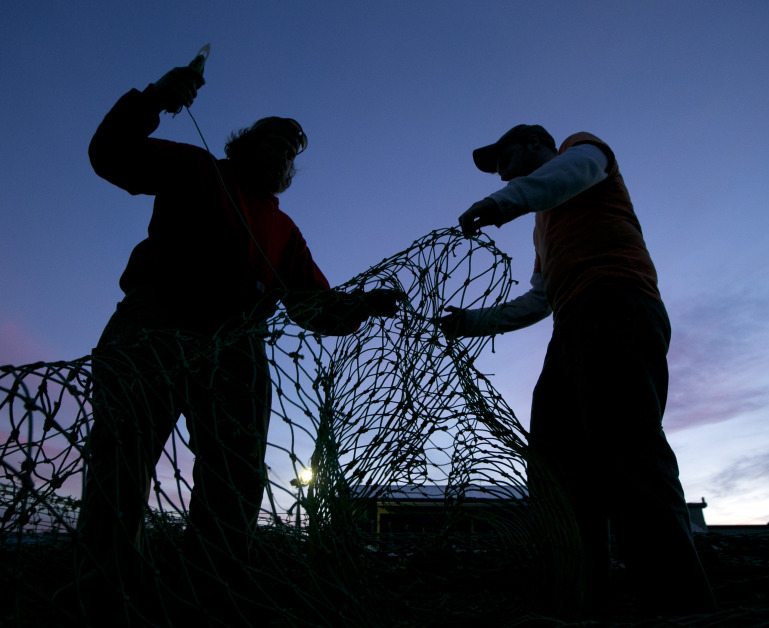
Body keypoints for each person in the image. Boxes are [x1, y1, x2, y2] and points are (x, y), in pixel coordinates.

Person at [74, 64, 398, 623]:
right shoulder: (194, 165)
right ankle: (103, 601)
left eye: (291, 152)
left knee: (235, 479)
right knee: (121, 463)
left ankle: (212, 601)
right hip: (155, 325)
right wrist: (153, 98)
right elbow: (111, 154)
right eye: (274, 140)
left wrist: (361, 306)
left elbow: (312, 305)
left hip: (237, 352)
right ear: (244, 143)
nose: (282, 154)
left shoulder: (286, 230)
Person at [437, 125, 715, 615]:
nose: (500, 171)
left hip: (618, 304)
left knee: (627, 447)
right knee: (554, 460)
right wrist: (470, 323)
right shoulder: (542, 222)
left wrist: (500, 202)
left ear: (531, 143)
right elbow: (539, 300)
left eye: (502, 159)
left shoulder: (583, 151)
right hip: (571, 327)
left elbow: (564, 176)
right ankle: (582, 595)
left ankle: (679, 601)